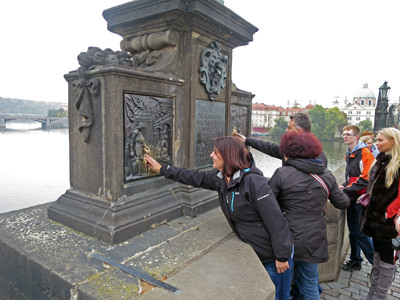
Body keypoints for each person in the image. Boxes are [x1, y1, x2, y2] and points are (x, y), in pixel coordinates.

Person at [145, 136, 293, 300]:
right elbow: (194, 177)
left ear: (228, 156)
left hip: (274, 257)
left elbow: (277, 221)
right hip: (257, 251)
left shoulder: (254, 182)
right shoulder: (221, 178)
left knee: (280, 297)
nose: (211, 155)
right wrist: (162, 169)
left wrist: (282, 256)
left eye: (215, 153)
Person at [268, 131, 350, 299]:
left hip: (287, 236)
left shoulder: (281, 173)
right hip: (314, 236)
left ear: (289, 152)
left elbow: (268, 206)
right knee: (310, 283)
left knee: (283, 284)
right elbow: (343, 203)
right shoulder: (326, 175)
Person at [362, 128, 400, 300]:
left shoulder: (397, 164)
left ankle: (379, 296)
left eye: (380, 140)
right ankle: (373, 294)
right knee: (377, 257)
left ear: (393, 141)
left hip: (388, 222)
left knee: (386, 259)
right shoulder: (382, 160)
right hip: (376, 218)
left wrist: (388, 213)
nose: (376, 143)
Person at [339, 125, 375, 271]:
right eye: (343, 134)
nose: (345, 136)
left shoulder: (365, 153)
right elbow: (351, 177)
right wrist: (344, 185)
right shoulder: (350, 153)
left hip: (361, 198)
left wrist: (347, 189)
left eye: (348, 134)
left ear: (356, 137)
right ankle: (356, 260)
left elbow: (366, 179)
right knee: (353, 231)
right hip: (353, 197)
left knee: (360, 233)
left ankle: (377, 266)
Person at [234, 112, 328, 168]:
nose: (286, 130)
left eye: (289, 128)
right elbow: (269, 147)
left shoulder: (318, 156)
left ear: (299, 131)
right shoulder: (291, 149)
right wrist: (247, 140)